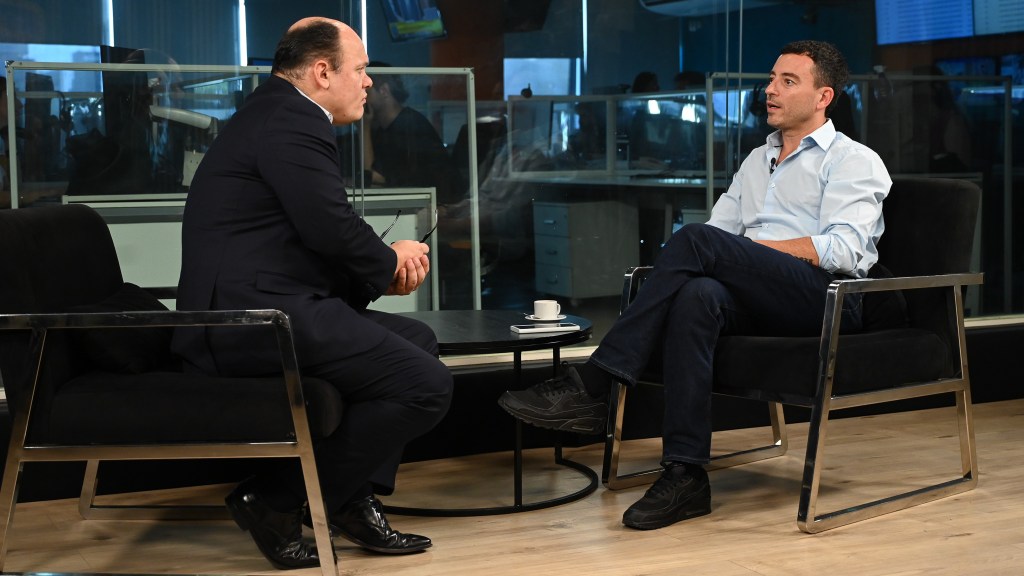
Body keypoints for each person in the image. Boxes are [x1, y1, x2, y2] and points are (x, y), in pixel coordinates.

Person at [499, 40, 891, 531]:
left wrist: (750, 253)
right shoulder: (758, 160)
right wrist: (737, 256)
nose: (770, 90)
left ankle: (597, 381)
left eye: (788, 81)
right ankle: (685, 474)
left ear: (823, 97)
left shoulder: (853, 160)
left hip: (829, 297)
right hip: (760, 295)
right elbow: (717, 237)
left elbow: (845, 249)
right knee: (697, 295)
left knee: (696, 241)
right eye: (772, 78)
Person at [172, 17, 453, 569]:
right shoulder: (292, 119)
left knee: (417, 340)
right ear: (322, 72)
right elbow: (329, 226)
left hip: (267, 303)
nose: (369, 82)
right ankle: (274, 500)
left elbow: (308, 232)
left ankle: (348, 498)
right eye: (361, 69)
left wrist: (381, 268)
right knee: (426, 385)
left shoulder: (273, 112)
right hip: (251, 320)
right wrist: (390, 261)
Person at [361, 62, 458, 205]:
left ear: (384, 91)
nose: (362, 97)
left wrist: (364, 128)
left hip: (435, 205)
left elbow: (371, 177)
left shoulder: (409, 127)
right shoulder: (384, 129)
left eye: (367, 91)